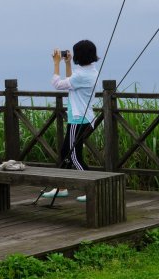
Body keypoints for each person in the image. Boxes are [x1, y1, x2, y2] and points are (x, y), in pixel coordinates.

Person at [43, 40, 99, 202]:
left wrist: (56, 64)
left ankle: (93, 188)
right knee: (65, 153)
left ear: (79, 55)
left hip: (78, 120)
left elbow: (58, 84)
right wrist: (67, 64)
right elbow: (71, 82)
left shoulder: (82, 75)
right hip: (83, 118)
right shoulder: (90, 71)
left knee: (74, 156)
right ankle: (61, 187)